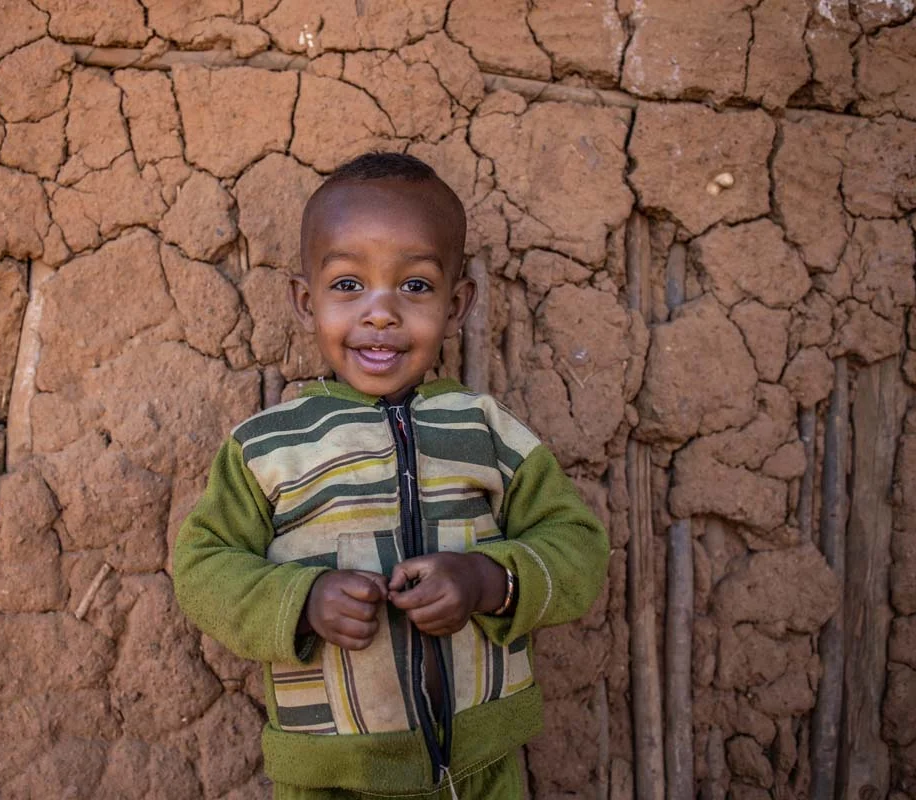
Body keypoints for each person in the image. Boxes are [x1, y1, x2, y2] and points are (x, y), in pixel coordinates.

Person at [172, 152, 610, 799]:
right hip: (331, 778)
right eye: (349, 285)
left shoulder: (488, 432)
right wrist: (305, 600)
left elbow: (578, 547)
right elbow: (202, 568)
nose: (380, 312)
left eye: (415, 286)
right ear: (305, 299)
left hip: (483, 770)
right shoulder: (266, 447)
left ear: (457, 305)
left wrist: (488, 580)